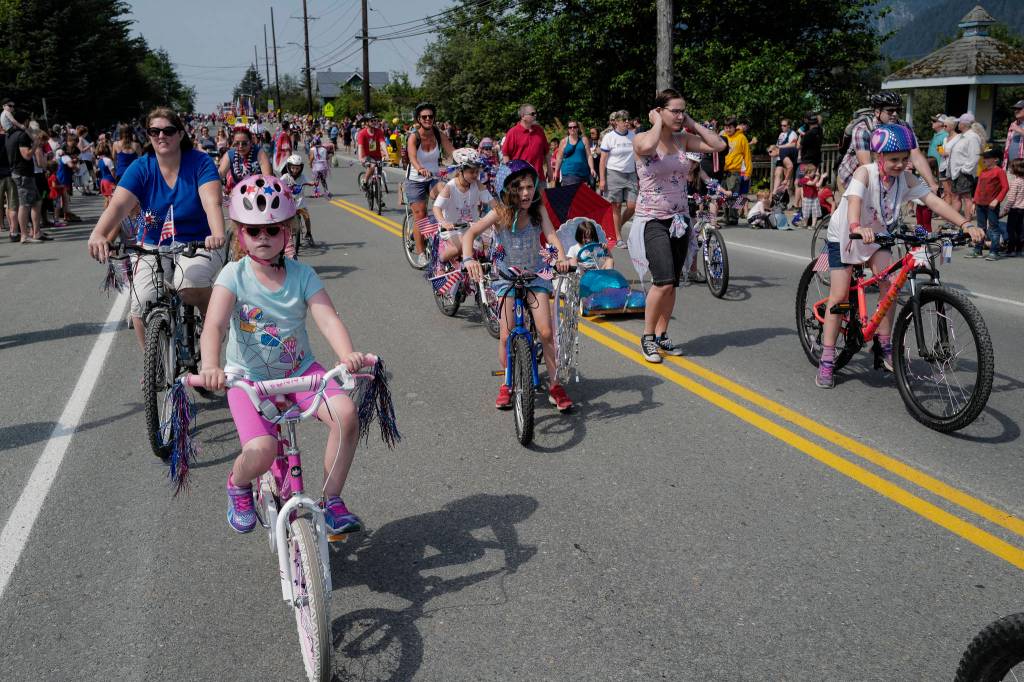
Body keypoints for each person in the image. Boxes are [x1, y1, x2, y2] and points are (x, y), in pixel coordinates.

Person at [199, 175, 367, 535]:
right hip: (248, 381)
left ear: (287, 232)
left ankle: (330, 500)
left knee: (346, 414)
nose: (263, 238)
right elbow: (213, 325)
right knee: (260, 450)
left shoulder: (302, 275)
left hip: (301, 372)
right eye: (254, 231)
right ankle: (238, 484)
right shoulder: (234, 275)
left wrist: (346, 354)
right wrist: (211, 366)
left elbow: (327, 318)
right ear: (240, 233)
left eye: (273, 230)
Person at [815, 124, 984, 388]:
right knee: (838, 297)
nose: (901, 164)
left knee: (891, 284)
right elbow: (855, 202)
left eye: (905, 159)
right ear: (879, 157)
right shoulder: (865, 173)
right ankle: (826, 359)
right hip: (848, 235)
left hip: (879, 235)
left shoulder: (905, 179)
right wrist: (856, 227)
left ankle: (883, 345)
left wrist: (965, 224)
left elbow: (933, 201)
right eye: (894, 159)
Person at [87, 108, 227, 353]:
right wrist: (98, 234)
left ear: (181, 133)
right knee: (140, 303)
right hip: (153, 242)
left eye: (168, 130)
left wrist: (216, 233)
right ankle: (155, 364)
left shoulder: (200, 162)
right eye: (154, 131)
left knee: (189, 282)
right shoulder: (141, 167)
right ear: (148, 135)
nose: (161, 136)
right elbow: (119, 204)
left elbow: (211, 202)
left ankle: (211, 324)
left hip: (198, 241)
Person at [461, 160, 573, 411]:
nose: (526, 193)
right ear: (508, 189)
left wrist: (561, 258)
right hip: (506, 278)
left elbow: (551, 236)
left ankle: (555, 385)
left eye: (530, 187)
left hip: (536, 275)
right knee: (506, 333)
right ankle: (507, 383)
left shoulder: (537, 209)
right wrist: (468, 259)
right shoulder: (499, 212)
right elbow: (470, 234)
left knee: (545, 332)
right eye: (520, 188)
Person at [628, 88, 726, 363]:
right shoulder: (641, 139)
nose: (680, 116)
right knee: (662, 281)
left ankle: (662, 334)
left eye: (683, 110)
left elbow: (718, 146)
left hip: (680, 219)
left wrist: (693, 124)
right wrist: (658, 122)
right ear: (659, 111)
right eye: (676, 111)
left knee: (673, 284)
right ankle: (647, 337)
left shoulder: (684, 139)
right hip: (652, 219)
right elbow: (647, 148)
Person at [837, 91, 938, 195]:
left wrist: (932, 183)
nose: (895, 114)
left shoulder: (904, 128)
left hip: (886, 175)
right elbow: (867, 165)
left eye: (898, 110)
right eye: (890, 111)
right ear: (877, 112)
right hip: (851, 177)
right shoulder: (863, 129)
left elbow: (916, 156)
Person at [406, 102, 454, 266]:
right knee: (420, 216)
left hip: (432, 177)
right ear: (418, 119)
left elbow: (452, 151)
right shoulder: (414, 136)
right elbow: (412, 157)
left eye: (430, 116)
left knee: (445, 193)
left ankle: (442, 233)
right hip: (415, 180)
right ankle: (420, 253)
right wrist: (420, 168)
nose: (427, 119)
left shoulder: (438, 134)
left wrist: (466, 158)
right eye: (424, 117)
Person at [431, 147, 495, 266]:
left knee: (486, 252)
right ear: (461, 171)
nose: (476, 175)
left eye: (477, 172)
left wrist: (503, 215)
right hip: (452, 229)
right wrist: (444, 222)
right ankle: (439, 260)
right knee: (461, 248)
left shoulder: (477, 185)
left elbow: (492, 203)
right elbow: (436, 208)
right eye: (471, 172)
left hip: (472, 227)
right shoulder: (450, 187)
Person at [599, 110, 638, 244]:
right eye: (623, 120)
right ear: (616, 122)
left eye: (628, 119)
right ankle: (618, 237)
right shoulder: (609, 137)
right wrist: (602, 179)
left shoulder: (633, 135)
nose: (627, 122)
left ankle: (617, 227)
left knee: (633, 206)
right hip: (614, 173)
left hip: (631, 173)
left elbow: (637, 156)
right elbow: (602, 160)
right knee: (616, 205)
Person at [6, 109, 44, 243]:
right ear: (26, 121)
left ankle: (36, 232)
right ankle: (24, 235)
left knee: (37, 201)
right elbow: (26, 155)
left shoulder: (10, 135)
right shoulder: (21, 135)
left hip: (22, 173)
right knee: (25, 204)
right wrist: (35, 145)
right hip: (22, 173)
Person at [968, 147, 1009, 260]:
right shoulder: (983, 172)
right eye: (983, 157)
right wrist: (974, 203)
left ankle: (994, 252)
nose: (984, 160)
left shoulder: (999, 171)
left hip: (992, 205)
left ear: (995, 159)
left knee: (993, 228)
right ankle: (978, 250)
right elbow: (978, 188)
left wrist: (997, 200)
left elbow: (1005, 187)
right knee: (980, 228)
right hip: (980, 204)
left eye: (987, 157)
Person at [501, 103, 550, 188]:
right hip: (521, 179)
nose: (535, 115)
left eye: (536, 113)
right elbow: (506, 155)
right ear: (523, 116)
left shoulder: (539, 130)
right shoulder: (513, 132)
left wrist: (550, 170)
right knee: (524, 201)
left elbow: (547, 152)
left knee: (543, 201)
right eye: (532, 114)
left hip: (539, 177)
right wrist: (511, 176)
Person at [946, 113, 983, 218]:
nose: (957, 124)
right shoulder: (963, 136)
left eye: (959, 122)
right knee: (956, 197)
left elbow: (975, 155)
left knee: (966, 198)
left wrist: (965, 169)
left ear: (964, 124)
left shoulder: (972, 137)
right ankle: (954, 220)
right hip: (957, 172)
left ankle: (967, 222)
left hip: (964, 172)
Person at [218, 126, 273, 192]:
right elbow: (220, 173)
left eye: (244, 143)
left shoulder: (259, 153)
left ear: (250, 142)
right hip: (237, 193)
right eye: (237, 143)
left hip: (258, 191)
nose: (240, 146)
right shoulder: (230, 154)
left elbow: (268, 177)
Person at [553, 120, 596, 187]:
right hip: (569, 173)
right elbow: (559, 158)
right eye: (570, 127)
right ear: (568, 129)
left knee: (582, 196)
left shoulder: (584, 140)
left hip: (583, 173)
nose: (572, 129)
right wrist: (556, 172)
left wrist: (592, 168)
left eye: (574, 127)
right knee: (572, 194)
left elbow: (589, 156)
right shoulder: (563, 141)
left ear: (577, 128)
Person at [356, 113, 387, 193]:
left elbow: (382, 143)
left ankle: (379, 198)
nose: (374, 122)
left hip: (377, 156)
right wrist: (360, 158)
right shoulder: (362, 133)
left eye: (375, 120)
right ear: (366, 123)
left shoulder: (379, 131)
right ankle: (365, 181)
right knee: (372, 166)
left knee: (379, 175)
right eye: (372, 121)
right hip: (366, 156)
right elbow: (360, 147)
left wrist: (387, 154)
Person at [1002, 158, 1024, 257]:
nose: (1010, 169)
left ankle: (1011, 249)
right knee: (1019, 229)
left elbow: (1011, 199)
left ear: (1017, 169)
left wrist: (1005, 209)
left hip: (1015, 209)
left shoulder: (1016, 182)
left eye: (1011, 167)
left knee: (1011, 230)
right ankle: (1019, 249)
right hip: (1022, 209)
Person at [774, 119, 799, 200]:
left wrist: (780, 147)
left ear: (789, 126)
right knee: (777, 174)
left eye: (784, 125)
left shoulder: (793, 133)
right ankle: (774, 193)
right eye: (781, 125)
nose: (782, 127)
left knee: (787, 179)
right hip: (780, 157)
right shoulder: (781, 134)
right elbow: (777, 145)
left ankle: (785, 198)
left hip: (787, 157)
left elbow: (793, 144)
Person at [796, 163, 826, 229]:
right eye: (814, 172)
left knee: (815, 212)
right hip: (807, 198)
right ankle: (805, 224)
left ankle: (813, 225)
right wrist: (817, 177)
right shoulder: (804, 180)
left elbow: (817, 185)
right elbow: (812, 184)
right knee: (806, 212)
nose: (815, 173)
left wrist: (821, 178)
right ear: (808, 172)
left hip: (814, 198)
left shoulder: (813, 179)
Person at [1002, 100, 1024, 170]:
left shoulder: (1016, 127)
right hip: (1012, 167)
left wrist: (1020, 131)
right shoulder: (1013, 124)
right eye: (1015, 109)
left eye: (1019, 108)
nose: (1016, 111)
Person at [95, 142, 116, 208]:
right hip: (109, 181)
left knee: (107, 199)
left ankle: (106, 214)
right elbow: (113, 172)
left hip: (103, 181)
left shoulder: (99, 161)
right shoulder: (108, 160)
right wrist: (115, 180)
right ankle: (111, 215)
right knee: (112, 199)